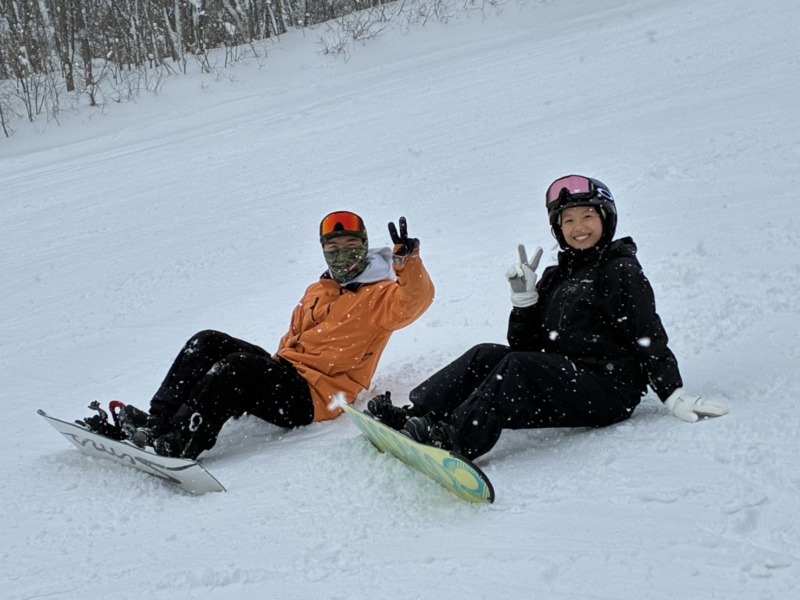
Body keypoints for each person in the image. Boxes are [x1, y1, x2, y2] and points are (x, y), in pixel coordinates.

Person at [367, 175, 728, 460]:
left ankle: (455, 440)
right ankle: (417, 415)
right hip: (568, 375)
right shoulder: (558, 274)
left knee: (517, 367)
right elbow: (524, 345)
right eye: (568, 219)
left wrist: (672, 392)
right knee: (486, 355)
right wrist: (524, 303)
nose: (578, 226)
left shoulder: (621, 270)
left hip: (610, 389)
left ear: (606, 219)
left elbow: (648, 334)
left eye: (588, 216)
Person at [86, 211, 434, 460]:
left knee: (238, 369)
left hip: (316, 397)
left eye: (350, 245)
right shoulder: (320, 288)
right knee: (207, 341)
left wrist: (409, 263)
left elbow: (414, 302)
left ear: (364, 246)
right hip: (287, 373)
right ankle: (158, 422)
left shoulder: (381, 296)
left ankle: (181, 441)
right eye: (333, 248)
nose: (342, 254)